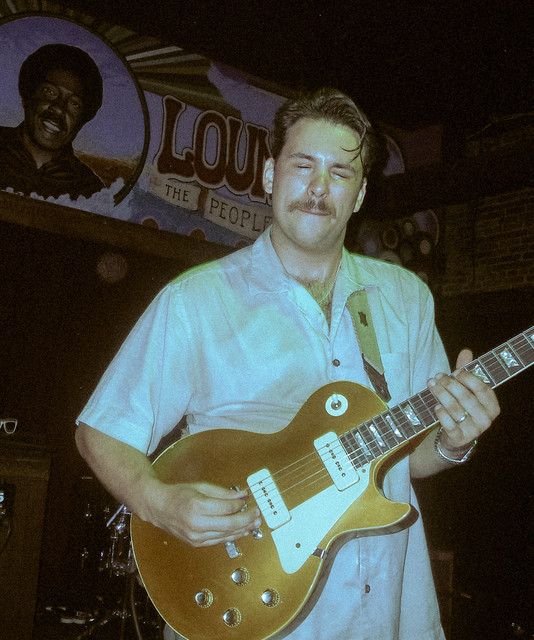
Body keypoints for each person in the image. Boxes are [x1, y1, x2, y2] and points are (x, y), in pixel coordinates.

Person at [76, 88, 500, 640]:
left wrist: (452, 441)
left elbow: (409, 457)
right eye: (303, 166)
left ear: (361, 193)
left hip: (388, 612)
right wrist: (158, 502)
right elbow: (100, 432)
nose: (319, 188)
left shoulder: (407, 298)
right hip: (249, 605)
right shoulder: (196, 301)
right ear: (270, 176)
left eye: (340, 173)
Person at [0, 43, 105, 200]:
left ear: (82, 120)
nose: (59, 109)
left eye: (74, 104)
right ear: (27, 97)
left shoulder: (89, 190)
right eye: (49, 92)